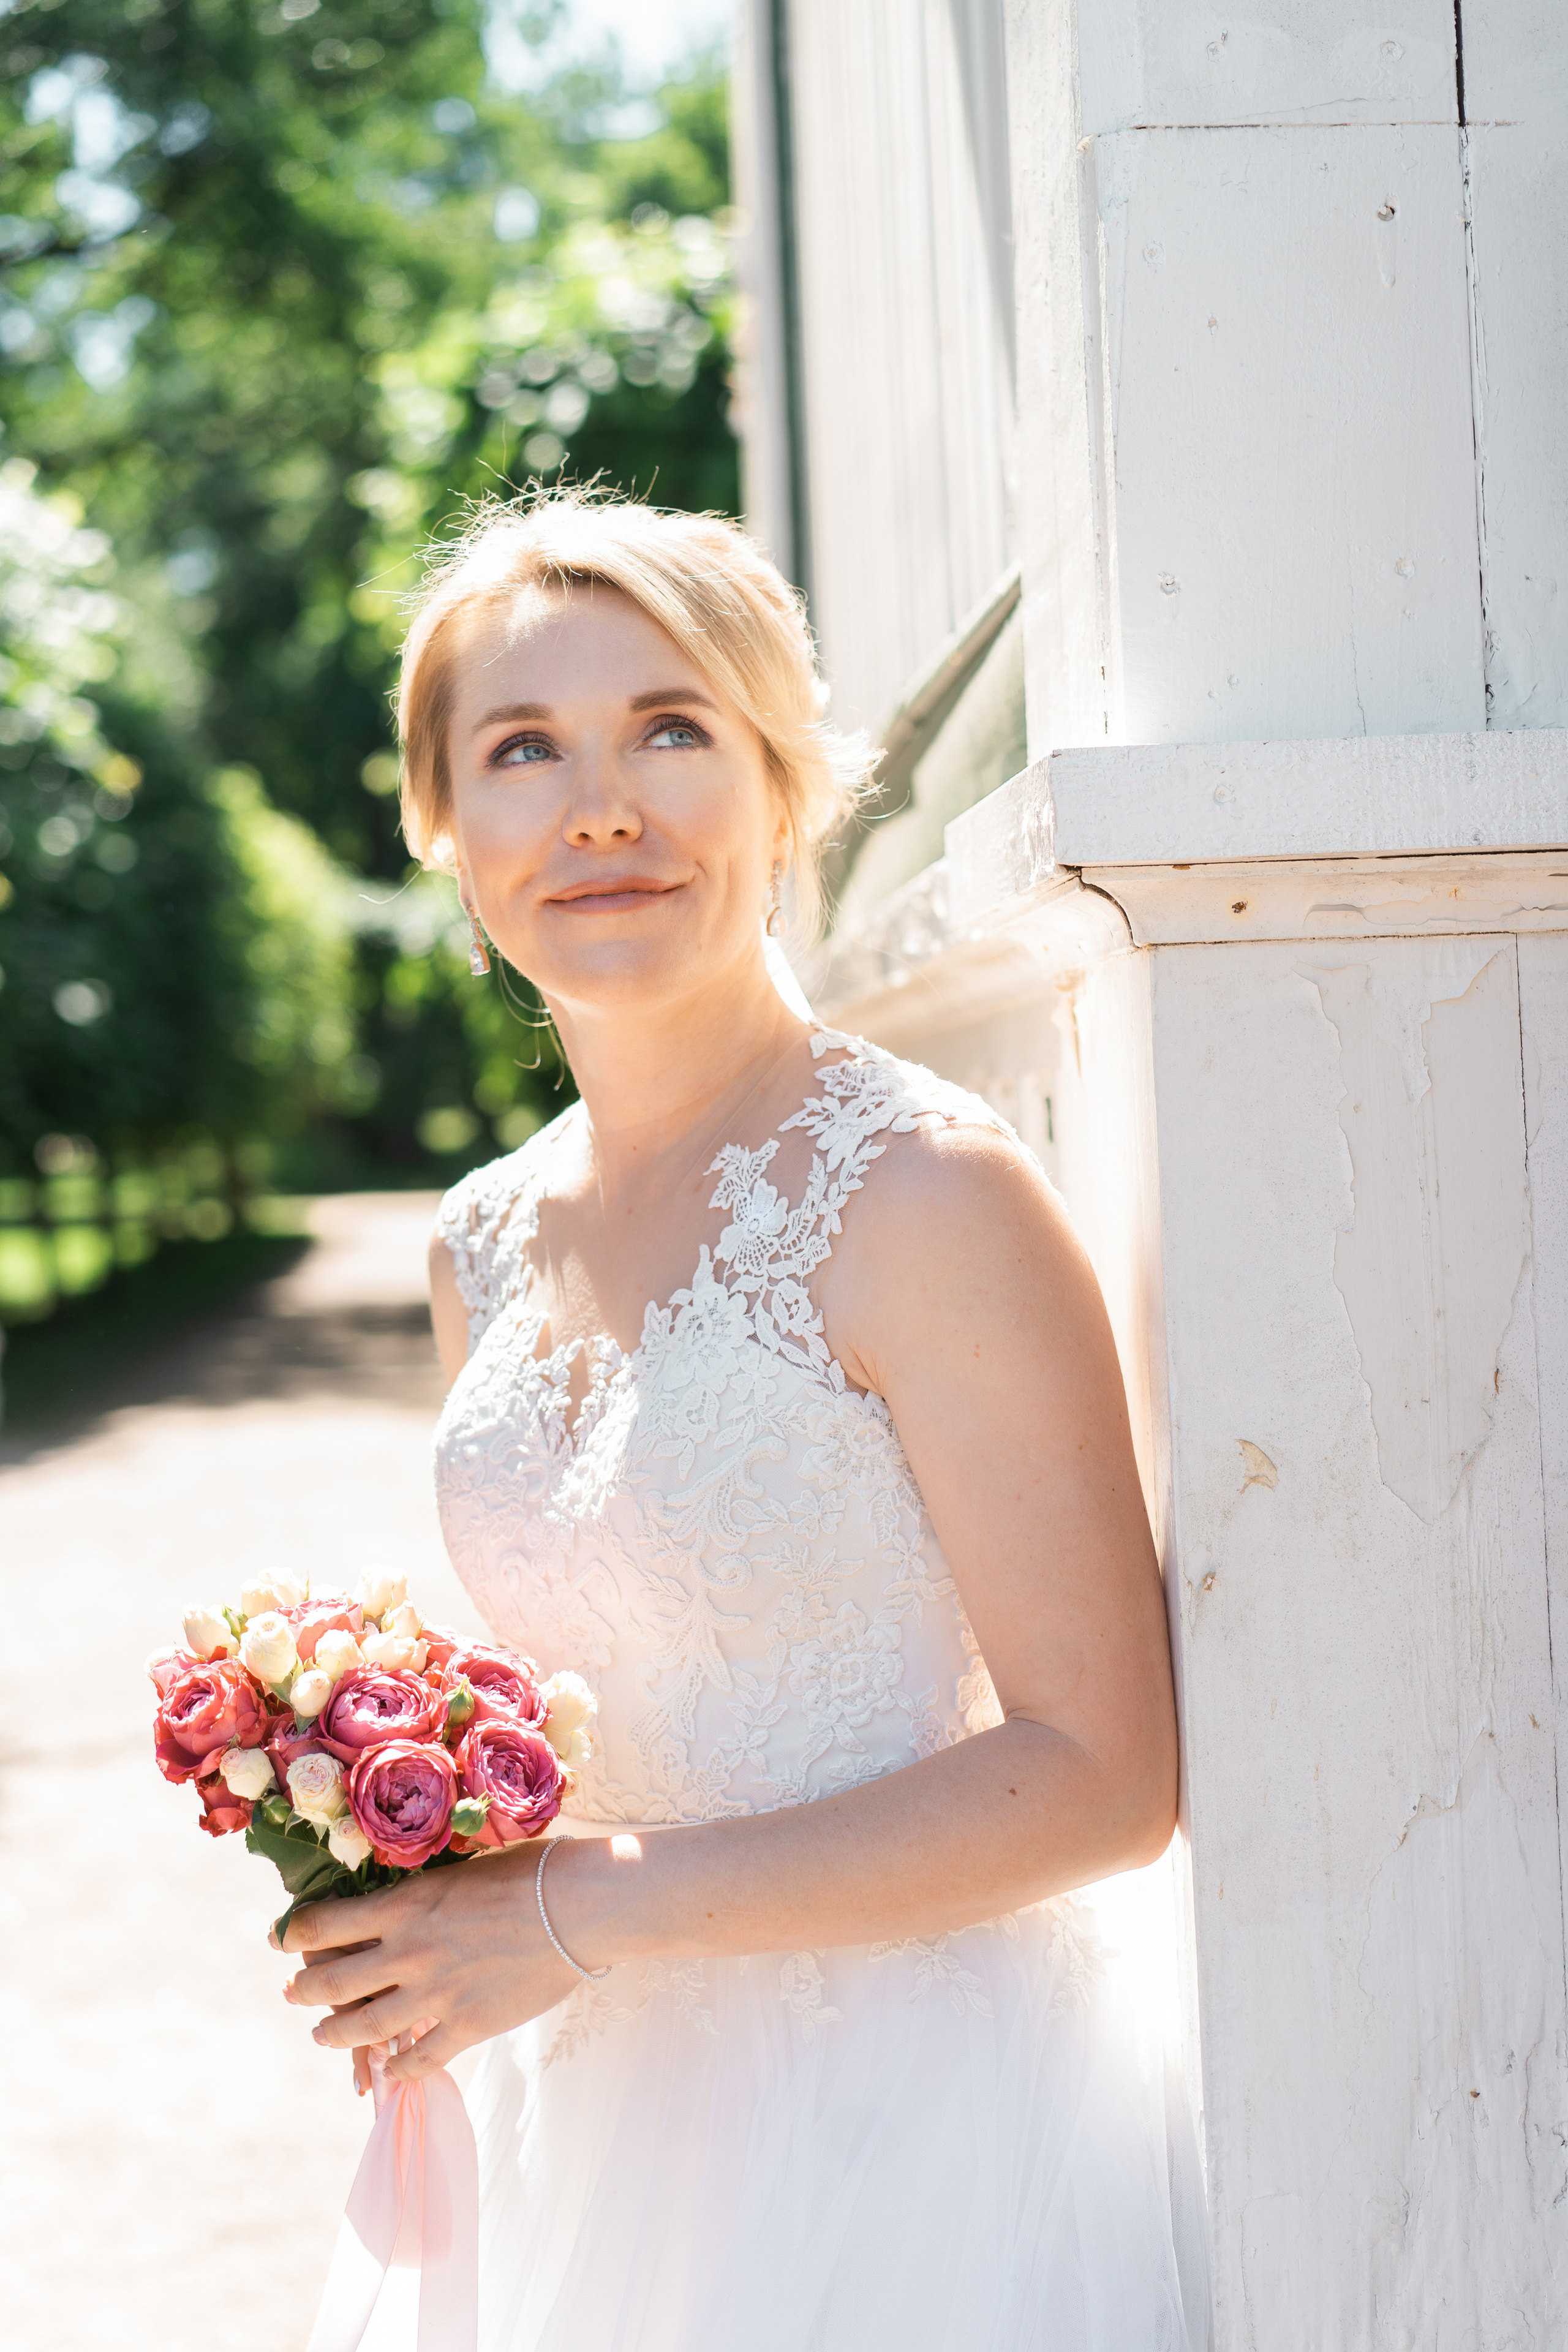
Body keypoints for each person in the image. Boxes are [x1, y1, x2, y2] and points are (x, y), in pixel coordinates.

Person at [281, 491, 1208, 2350]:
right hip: (593, 2131)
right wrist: (403, 1859)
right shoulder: (480, 1239)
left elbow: (1107, 1775)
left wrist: (568, 1915)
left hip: (914, 2126)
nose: (601, 806)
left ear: (787, 792)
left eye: (673, 731)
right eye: (524, 750)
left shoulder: (925, 1194)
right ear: (448, 833)